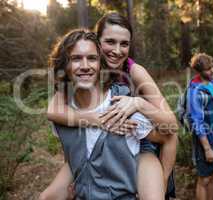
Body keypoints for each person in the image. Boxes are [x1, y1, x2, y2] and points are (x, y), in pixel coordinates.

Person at [40, 13, 177, 200]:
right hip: (102, 142)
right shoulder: (77, 78)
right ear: (96, 41)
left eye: (124, 44)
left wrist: (139, 103)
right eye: (110, 42)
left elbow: (171, 127)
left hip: (139, 140)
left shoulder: (134, 71)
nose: (117, 50)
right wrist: (98, 120)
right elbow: (55, 113)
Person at [186, 53, 213, 200]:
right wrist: (207, 149)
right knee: (204, 179)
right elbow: (197, 122)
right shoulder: (195, 91)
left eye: (212, 67)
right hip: (206, 141)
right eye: (209, 69)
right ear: (200, 71)